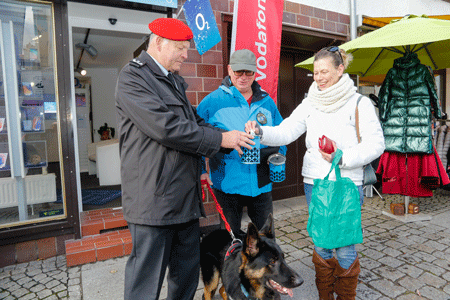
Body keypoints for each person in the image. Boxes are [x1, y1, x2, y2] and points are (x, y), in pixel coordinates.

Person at [115, 18, 254, 300]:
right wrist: (220, 140)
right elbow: (167, 128)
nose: (185, 54)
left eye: (186, 48)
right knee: (146, 283)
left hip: (184, 201)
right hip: (153, 202)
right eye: (180, 47)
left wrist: (231, 137)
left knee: (186, 276)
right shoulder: (133, 77)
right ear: (157, 43)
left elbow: (196, 121)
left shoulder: (173, 80)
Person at [245, 46, 385, 299]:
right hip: (314, 182)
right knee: (321, 241)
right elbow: (286, 131)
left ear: (341, 69)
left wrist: (343, 157)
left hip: (346, 183)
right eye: (315, 73)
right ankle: (324, 295)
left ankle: (345, 296)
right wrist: (260, 132)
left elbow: (376, 144)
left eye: (324, 71)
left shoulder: (359, 103)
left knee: (343, 244)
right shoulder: (310, 102)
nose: (319, 77)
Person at [197, 49, 286, 239]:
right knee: (232, 238)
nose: (243, 77)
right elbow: (195, 135)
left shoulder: (267, 102)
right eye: (238, 72)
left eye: (248, 72)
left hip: (261, 183)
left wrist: (280, 156)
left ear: (255, 73)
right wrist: (200, 170)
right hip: (227, 182)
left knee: (266, 239)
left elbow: (282, 133)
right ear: (229, 70)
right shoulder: (212, 102)